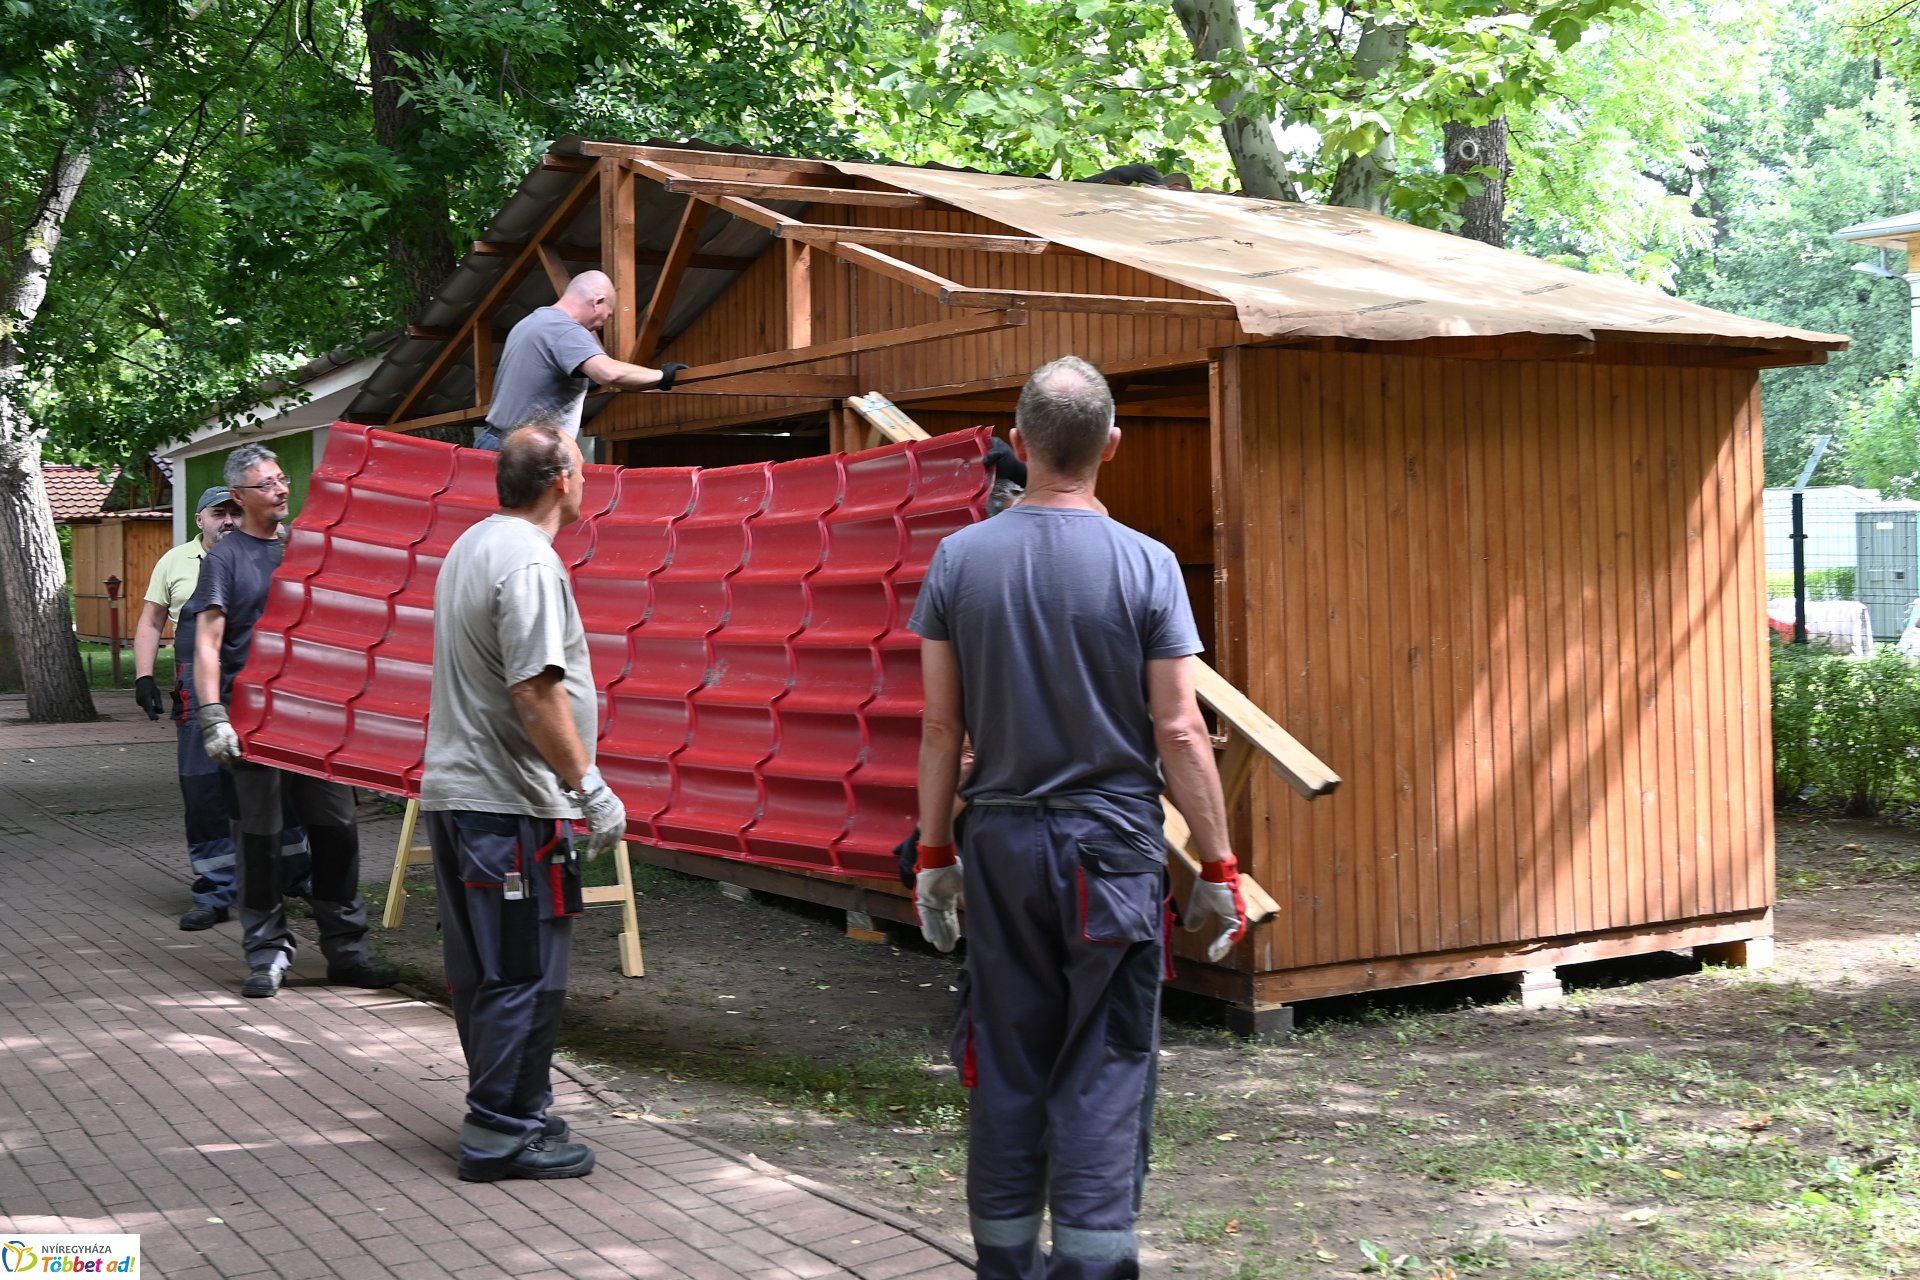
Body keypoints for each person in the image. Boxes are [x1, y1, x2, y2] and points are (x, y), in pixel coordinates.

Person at [908, 355, 1248, 1280]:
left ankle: (1006, 1265)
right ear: (1113, 447)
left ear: (1018, 447)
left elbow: (942, 727)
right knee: (1104, 1060)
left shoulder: (957, 559)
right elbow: (1179, 729)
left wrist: (934, 855)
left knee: (1008, 1054)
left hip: (1000, 845)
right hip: (1114, 856)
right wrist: (1217, 870)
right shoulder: (1147, 564)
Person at [418, 423, 626, 1182]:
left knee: (484, 970)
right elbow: (535, 691)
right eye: (585, 467)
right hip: (508, 805)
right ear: (563, 480)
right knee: (525, 970)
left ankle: (515, 1103)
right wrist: (590, 787)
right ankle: (502, 1133)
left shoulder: (473, 546)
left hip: (460, 795)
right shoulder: (530, 562)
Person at [188, 443, 398, 999]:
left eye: (283, 479)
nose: (282, 489)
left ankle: (347, 953)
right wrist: (212, 716)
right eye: (268, 484)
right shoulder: (225, 558)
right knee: (259, 840)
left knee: (336, 834)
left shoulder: (306, 548)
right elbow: (208, 642)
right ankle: (266, 951)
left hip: (317, 720)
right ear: (238, 497)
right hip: (252, 724)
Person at [133, 487, 243, 929]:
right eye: (220, 513)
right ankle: (216, 889)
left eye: (236, 512)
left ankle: (297, 876)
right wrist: (143, 676)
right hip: (195, 685)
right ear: (200, 519)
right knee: (203, 789)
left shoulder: (263, 555)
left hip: (255, 682)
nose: (229, 521)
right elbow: (151, 620)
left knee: (276, 782)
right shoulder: (175, 562)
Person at [475, 270, 688, 451]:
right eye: (609, 315)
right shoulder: (565, 329)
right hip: (522, 453)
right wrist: (664, 376)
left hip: (494, 441)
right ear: (598, 302)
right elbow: (609, 373)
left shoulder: (530, 323)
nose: (604, 323)